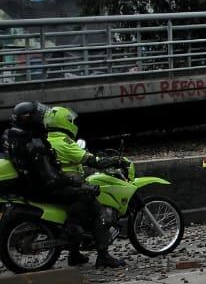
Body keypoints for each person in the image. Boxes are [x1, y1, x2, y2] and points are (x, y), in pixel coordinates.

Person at [4, 102, 123, 268]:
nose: (42, 118)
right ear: (29, 119)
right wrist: (72, 181)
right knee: (89, 198)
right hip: (42, 187)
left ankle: (75, 253)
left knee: (78, 196)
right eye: (38, 115)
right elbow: (50, 177)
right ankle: (100, 253)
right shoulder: (35, 144)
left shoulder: (12, 136)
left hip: (28, 186)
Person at [43, 106, 124, 177]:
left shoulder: (46, 140)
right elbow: (93, 161)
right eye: (69, 120)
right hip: (72, 183)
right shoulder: (65, 143)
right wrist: (115, 161)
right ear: (63, 122)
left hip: (61, 180)